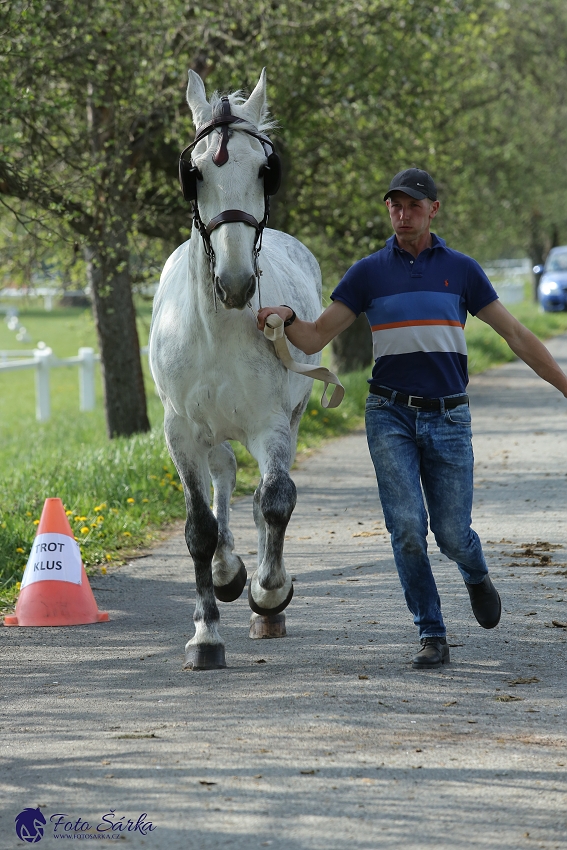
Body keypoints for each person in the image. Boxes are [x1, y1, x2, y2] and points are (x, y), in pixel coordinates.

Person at [257, 167, 567, 669]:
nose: (403, 215)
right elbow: (314, 339)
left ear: (433, 211)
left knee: (451, 534)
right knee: (405, 528)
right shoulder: (368, 273)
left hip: (449, 417)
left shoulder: (463, 271)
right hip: (389, 415)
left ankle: (475, 571)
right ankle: (431, 632)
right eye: (395, 206)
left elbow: (515, 334)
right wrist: (286, 319)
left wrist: (563, 383)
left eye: (413, 206)